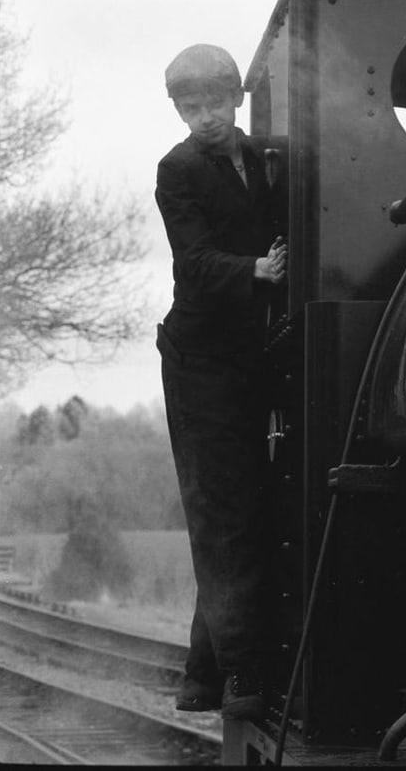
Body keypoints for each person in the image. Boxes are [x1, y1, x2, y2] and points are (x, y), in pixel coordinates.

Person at [154, 43, 287, 721]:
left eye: (213, 102)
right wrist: (257, 272)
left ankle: (200, 677)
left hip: (249, 352)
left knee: (250, 503)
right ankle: (239, 673)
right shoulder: (176, 170)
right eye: (189, 106)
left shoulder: (267, 157)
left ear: (235, 99)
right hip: (199, 358)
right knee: (221, 513)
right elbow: (195, 262)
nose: (203, 117)